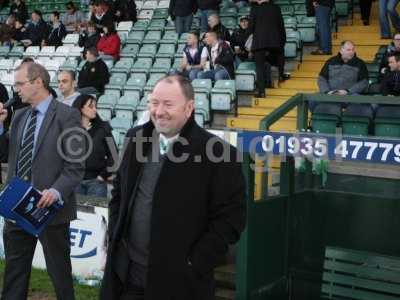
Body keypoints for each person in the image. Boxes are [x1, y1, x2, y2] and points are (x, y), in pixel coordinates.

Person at [99, 75, 246, 300]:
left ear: (189, 108)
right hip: (127, 276)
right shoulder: (135, 138)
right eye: (154, 103)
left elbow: (231, 219)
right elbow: (119, 192)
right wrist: (116, 237)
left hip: (179, 284)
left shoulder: (220, 153)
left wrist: (194, 262)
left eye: (168, 104)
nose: (159, 111)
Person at [0, 62, 84, 300]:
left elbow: (75, 166)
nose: (15, 89)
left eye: (19, 83)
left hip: (52, 212)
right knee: (14, 275)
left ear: (38, 82)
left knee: (60, 275)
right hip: (18, 208)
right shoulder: (18, 116)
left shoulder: (68, 115)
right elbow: (8, 156)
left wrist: (55, 193)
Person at [73, 94, 116, 197]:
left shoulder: (103, 128)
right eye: (91, 106)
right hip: (75, 182)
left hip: (96, 182)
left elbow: (114, 155)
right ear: (81, 108)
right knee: (75, 213)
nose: (95, 110)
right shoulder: (70, 129)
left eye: (95, 106)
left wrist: (103, 175)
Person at [249, 0, 286, 97]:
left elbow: (251, 27)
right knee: (280, 54)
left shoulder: (255, 9)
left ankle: (261, 91)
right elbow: (281, 26)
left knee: (259, 67)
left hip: (259, 42)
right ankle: (281, 75)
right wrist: (282, 42)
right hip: (275, 40)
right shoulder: (276, 8)